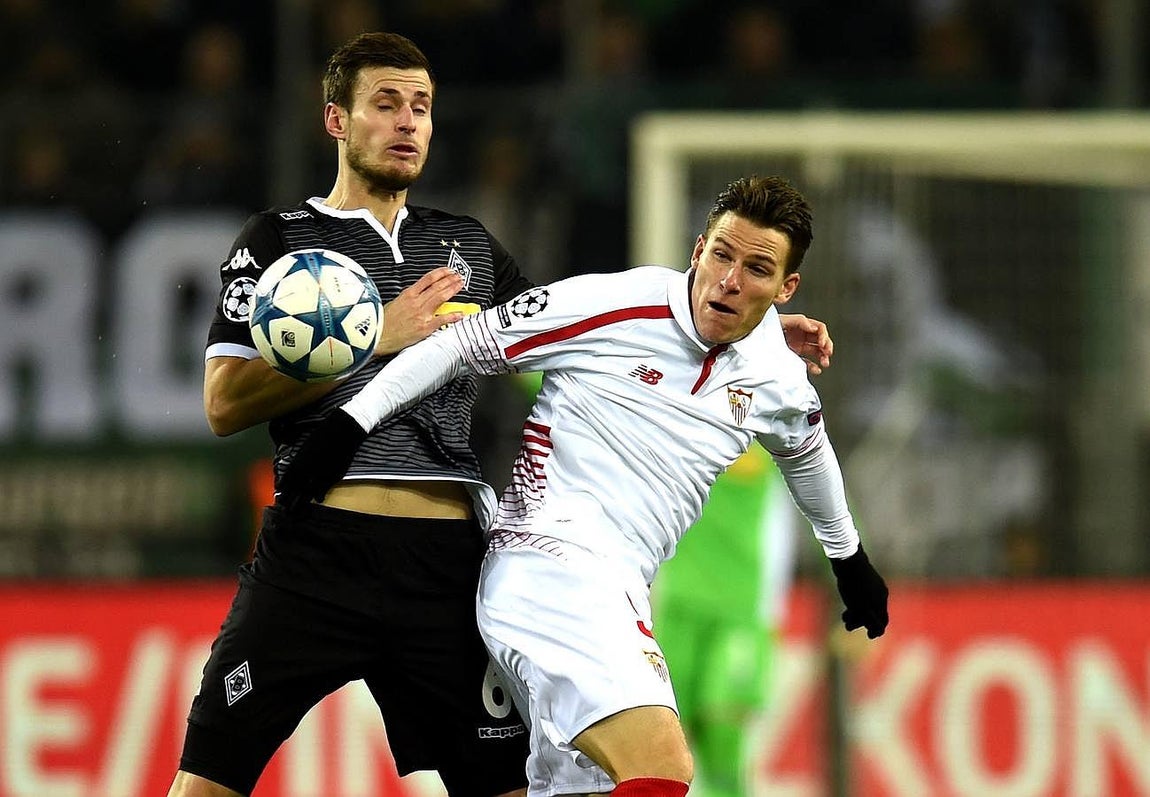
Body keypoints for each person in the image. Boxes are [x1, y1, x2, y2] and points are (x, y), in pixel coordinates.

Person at [169, 32, 836, 797]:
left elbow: (589, 331)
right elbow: (224, 403)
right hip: (316, 551)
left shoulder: (471, 248)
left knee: (506, 787)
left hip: (446, 565)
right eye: (385, 104)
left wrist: (734, 328)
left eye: (420, 106)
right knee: (207, 783)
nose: (408, 122)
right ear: (337, 121)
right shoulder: (281, 242)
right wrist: (374, 336)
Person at [279, 174, 889, 797]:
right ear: (698, 249)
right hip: (547, 565)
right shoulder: (617, 304)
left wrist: (849, 560)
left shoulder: (776, 375)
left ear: (786, 289)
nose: (730, 280)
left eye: (757, 269)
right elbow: (463, 345)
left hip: (621, 587)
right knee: (660, 766)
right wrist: (352, 421)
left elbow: (807, 450)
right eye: (721, 255)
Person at [651, 446, 799, 797]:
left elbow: (831, 503)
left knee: (723, 731)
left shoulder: (776, 419)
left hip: (743, 614)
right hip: (677, 609)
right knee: (660, 745)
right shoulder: (674, 412)